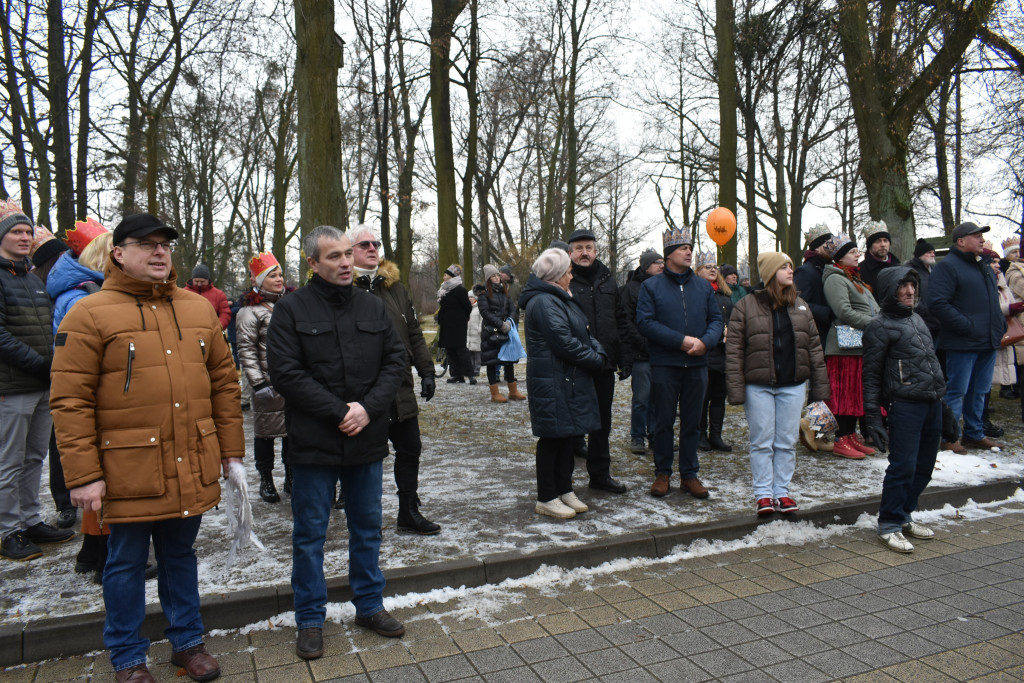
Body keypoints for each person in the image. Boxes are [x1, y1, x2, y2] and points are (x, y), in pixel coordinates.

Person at [51, 212, 244, 682]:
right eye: (146, 244)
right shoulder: (89, 313)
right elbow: (69, 399)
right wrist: (83, 475)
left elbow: (224, 385)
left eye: (165, 244)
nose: (159, 252)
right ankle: (128, 657)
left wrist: (232, 454)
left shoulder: (197, 309)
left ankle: (187, 643)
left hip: (190, 459)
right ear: (118, 253)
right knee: (125, 563)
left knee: (181, 557)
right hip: (126, 467)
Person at [266, 226, 408, 660]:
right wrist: (339, 410)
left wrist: (366, 408)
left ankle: (369, 605)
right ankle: (310, 618)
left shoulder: (372, 305)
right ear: (312, 264)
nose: (346, 262)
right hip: (315, 443)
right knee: (310, 535)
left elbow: (395, 361)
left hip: (365, 438)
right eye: (334, 257)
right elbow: (286, 373)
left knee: (367, 528)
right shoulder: (291, 309)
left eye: (348, 254)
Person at [351, 227, 441, 535]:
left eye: (376, 243)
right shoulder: (345, 289)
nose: (373, 248)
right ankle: (365, 519)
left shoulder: (397, 288)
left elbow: (414, 333)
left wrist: (426, 371)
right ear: (349, 251)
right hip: (364, 391)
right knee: (367, 457)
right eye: (364, 244)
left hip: (400, 386)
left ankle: (408, 512)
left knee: (410, 448)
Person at [726, 252, 829, 516]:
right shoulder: (745, 306)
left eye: (790, 266)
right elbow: (735, 350)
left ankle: (781, 492)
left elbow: (814, 349)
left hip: (793, 385)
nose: (790, 270)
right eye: (784, 267)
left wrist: (819, 388)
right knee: (761, 441)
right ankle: (763, 495)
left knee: (786, 441)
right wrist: (736, 389)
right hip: (757, 385)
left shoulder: (801, 306)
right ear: (771, 273)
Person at [0, 200, 75, 562]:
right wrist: (43, 365)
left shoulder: (32, 278)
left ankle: (30, 521)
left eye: (28, 232)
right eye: (17, 231)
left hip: (41, 383)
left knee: (34, 457)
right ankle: (7, 530)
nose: (24, 237)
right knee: (9, 461)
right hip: (11, 387)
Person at [46, 222, 115, 583]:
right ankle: (105, 558)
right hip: (98, 398)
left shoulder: (81, 290)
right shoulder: (82, 297)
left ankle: (91, 552)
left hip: (100, 395)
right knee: (101, 474)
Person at [862, 266, 947, 553]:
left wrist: (943, 407)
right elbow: (871, 375)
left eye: (913, 286)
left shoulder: (918, 319)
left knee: (924, 466)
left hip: (930, 403)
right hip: (905, 406)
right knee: (903, 467)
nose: (910, 291)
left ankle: (904, 515)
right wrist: (872, 416)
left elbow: (931, 364)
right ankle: (889, 524)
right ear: (890, 291)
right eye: (903, 287)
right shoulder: (879, 326)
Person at [637, 227, 723, 499]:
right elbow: (645, 322)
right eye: (682, 248)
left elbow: (716, 321)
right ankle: (662, 473)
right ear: (668, 255)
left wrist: (705, 342)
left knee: (692, 423)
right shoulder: (651, 286)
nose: (689, 252)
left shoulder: (702, 287)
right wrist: (682, 341)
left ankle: (689, 474)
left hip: (697, 366)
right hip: (665, 364)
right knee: (662, 421)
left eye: (690, 247)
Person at [519, 249, 605, 519]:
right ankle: (546, 496)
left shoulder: (562, 298)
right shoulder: (545, 302)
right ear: (556, 276)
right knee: (552, 438)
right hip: (553, 380)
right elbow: (564, 343)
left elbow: (585, 332)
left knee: (568, 435)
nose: (572, 274)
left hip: (568, 379)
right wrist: (596, 359)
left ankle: (564, 489)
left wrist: (598, 351)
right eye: (567, 271)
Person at [927, 221, 1006, 452]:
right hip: (962, 342)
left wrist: (998, 325)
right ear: (961, 241)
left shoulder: (983, 267)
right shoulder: (947, 267)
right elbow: (937, 303)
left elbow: (993, 301)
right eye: (976, 236)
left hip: (987, 341)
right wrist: (966, 325)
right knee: (957, 391)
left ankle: (974, 433)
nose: (982, 239)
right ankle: (950, 437)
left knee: (980, 391)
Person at [567, 228, 630, 494]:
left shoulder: (608, 280)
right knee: (571, 422)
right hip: (575, 364)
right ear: (570, 252)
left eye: (589, 248)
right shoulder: (564, 281)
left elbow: (621, 320)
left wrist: (624, 357)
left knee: (602, 423)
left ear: (596, 251)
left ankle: (600, 474)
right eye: (579, 248)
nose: (584, 253)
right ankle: (563, 481)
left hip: (604, 363)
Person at [27, 226, 76, 530]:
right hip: (43, 373)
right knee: (58, 442)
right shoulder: (37, 292)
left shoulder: (69, 290)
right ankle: (64, 501)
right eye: (58, 257)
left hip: (62, 370)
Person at [236, 252, 290, 504]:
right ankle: (266, 480)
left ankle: (292, 476)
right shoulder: (250, 312)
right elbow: (246, 350)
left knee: (292, 431)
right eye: (272, 275)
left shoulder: (288, 305)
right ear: (259, 280)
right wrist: (258, 383)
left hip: (292, 382)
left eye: (280, 274)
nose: (279, 279)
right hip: (267, 384)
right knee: (266, 433)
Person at [822, 234, 880, 459]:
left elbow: (871, 308)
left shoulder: (854, 278)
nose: (858, 255)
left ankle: (850, 435)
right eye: (852, 252)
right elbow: (843, 312)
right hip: (844, 347)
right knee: (843, 395)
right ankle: (840, 439)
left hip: (859, 346)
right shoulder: (835, 278)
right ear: (840, 257)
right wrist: (875, 324)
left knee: (855, 394)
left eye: (857, 251)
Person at [620, 249, 663, 453]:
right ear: (646, 266)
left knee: (658, 398)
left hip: (662, 352)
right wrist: (642, 343)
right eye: (657, 263)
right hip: (641, 353)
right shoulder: (632, 289)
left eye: (663, 262)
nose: (661, 266)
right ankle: (637, 437)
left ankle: (655, 436)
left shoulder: (665, 286)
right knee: (641, 398)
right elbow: (627, 320)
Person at [694, 252, 733, 452]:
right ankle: (699, 434)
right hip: (705, 352)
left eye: (714, 266)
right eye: (706, 266)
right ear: (697, 271)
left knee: (719, 397)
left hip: (724, 354)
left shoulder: (726, 295)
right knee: (703, 397)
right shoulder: (695, 293)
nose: (712, 269)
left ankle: (715, 435)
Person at [479, 263, 526, 403]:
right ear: (488, 279)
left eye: (497, 275)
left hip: (506, 330)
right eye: (493, 276)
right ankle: (495, 394)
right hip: (491, 332)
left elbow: (513, 308)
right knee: (492, 362)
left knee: (509, 360)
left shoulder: (505, 290)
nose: (497, 278)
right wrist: (500, 324)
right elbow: (485, 312)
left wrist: (510, 321)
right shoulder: (483, 293)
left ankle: (513, 391)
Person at [794, 223, 834, 344]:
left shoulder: (830, 268)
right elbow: (799, 303)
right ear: (817, 248)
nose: (832, 247)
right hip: (816, 335)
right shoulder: (805, 271)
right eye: (828, 243)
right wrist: (828, 313)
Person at [436, 264, 474, 384]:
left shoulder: (460, 290)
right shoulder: (444, 290)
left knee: (461, 350)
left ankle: (470, 375)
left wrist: (461, 318)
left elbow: (468, 307)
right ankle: (457, 375)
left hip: (458, 325)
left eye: (446, 275)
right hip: (446, 325)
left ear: (452, 276)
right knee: (450, 350)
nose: (444, 277)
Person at [904, 238, 940, 342]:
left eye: (933, 252)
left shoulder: (935, 269)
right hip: (922, 322)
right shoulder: (910, 270)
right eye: (929, 252)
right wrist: (923, 311)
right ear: (920, 254)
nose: (933, 255)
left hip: (938, 321)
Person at [185, 263, 231, 330]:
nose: (199, 284)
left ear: (208, 280)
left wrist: (219, 327)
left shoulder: (219, 294)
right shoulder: (182, 293)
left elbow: (225, 313)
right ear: (192, 279)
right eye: (196, 281)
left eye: (202, 281)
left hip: (211, 333)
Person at [859, 220, 899, 294]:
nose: (883, 244)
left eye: (885, 240)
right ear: (870, 245)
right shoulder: (860, 270)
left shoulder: (898, 267)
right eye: (878, 241)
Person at [467, 288, 482, 376]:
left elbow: (482, 319)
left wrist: (480, 329)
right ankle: (471, 368)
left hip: (477, 333)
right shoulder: (467, 308)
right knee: (470, 352)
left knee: (477, 353)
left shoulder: (479, 308)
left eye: (472, 297)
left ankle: (477, 369)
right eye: (469, 297)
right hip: (469, 334)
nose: (470, 299)